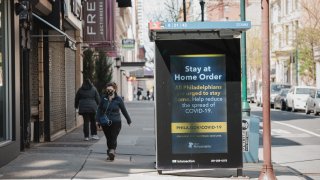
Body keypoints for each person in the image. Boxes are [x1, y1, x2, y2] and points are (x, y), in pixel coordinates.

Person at [97, 82, 132, 161]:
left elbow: (123, 110)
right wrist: (97, 120)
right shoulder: (103, 98)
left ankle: (112, 151)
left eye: (111, 89)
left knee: (113, 137)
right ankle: (110, 152)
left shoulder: (118, 99)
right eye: (108, 89)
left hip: (116, 121)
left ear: (114, 89)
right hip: (105, 122)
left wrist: (128, 119)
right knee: (108, 137)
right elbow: (99, 109)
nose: (109, 91)